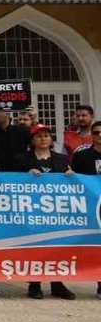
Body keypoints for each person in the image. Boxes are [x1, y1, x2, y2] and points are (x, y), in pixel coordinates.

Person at [12, 124, 76, 300]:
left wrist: (71, 176)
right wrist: (26, 175)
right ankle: (34, 284)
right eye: (39, 136)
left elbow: (71, 184)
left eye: (46, 135)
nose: (43, 139)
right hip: (32, 211)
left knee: (57, 247)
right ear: (32, 140)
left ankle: (57, 284)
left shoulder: (61, 159)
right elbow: (11, 182)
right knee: (34, 247)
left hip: (56, 212)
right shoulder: (22, 159)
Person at [68, 120, 101, 300]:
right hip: (91, 207)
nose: (100, 136)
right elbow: (76, 181)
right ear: (92, 136)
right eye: (96, 133)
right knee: (95, 245)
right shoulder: (82, 156)